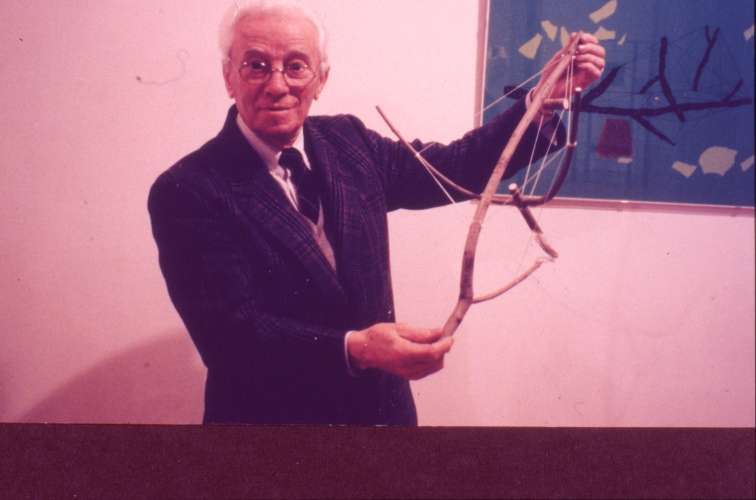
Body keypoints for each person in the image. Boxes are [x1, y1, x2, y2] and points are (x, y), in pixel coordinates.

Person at [148, 0, 605, 425]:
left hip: (382, 420)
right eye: (256, 65)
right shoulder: (188, 189)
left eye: (296, 66)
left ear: (321, 79)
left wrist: (542, 103)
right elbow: (230, 336)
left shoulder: (348, 141)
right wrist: (358, 349)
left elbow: (453, 170)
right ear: (228, 77)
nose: (278, 85)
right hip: (270, 437)